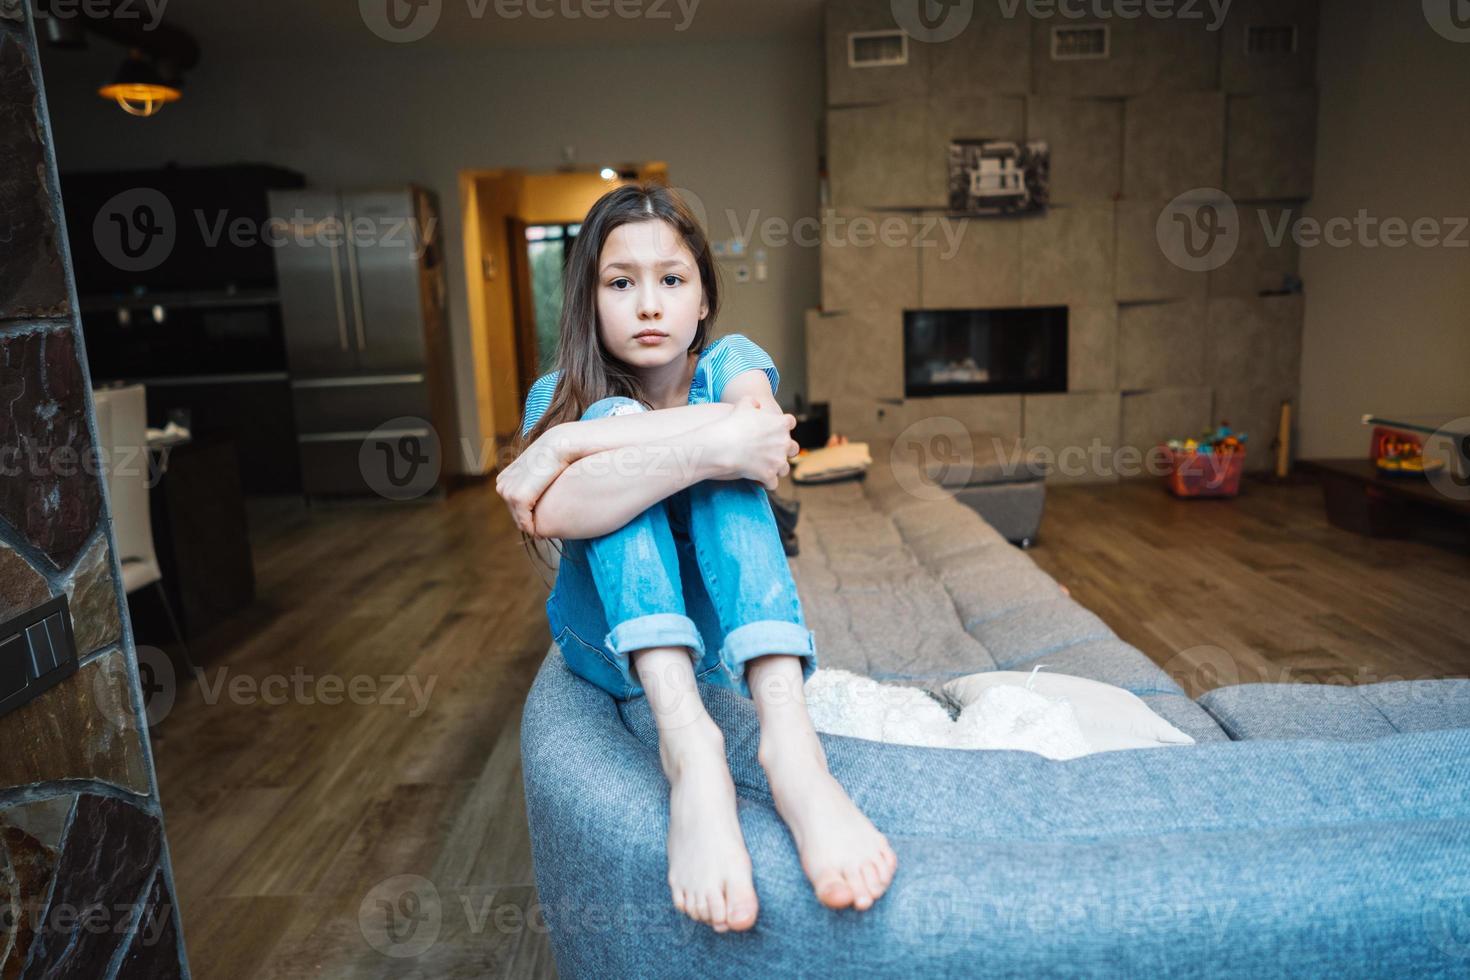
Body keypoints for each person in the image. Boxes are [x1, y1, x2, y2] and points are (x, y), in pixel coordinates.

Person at [496, 182, 896, 934]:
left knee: (725, 472)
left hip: (720, 647)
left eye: (672, 280)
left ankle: (792, 749)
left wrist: (569, 444)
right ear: (589, 299)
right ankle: (691, 752)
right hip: (604, 639)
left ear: (704, 298)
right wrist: (615, 433)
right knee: (646, 427)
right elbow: (551, 510)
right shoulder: (561, 393)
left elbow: (761, 437)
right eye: (621, 283)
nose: (650, 306)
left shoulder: (731, 364)